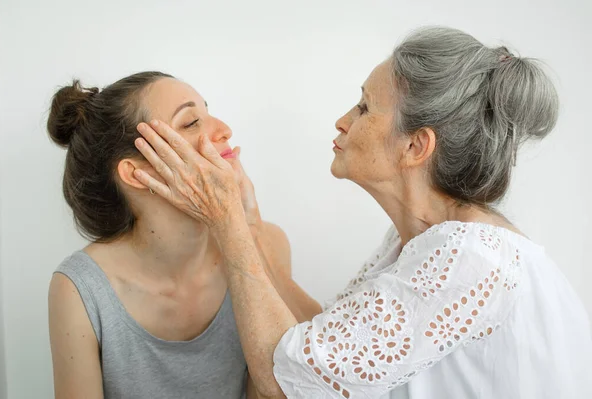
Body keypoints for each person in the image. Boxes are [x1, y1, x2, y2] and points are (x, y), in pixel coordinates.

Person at [132, 27, 592, 398]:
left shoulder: (470, 258)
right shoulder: (417, 244)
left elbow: (285, 384)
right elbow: (322, 346)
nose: (343, 120)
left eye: (365, 107)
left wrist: (225, 221)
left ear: (415, 146)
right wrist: (249, 226)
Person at [46, 72, 321, 399]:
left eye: (207, 111)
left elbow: (304, 378)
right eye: (191, 122)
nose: (224, 130)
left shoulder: (266, 243)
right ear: (138, 172)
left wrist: (246, 231)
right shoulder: (80, 289)